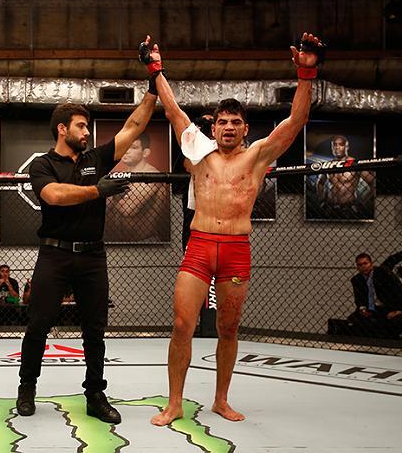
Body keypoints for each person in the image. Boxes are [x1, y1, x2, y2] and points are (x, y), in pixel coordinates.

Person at [142, 32, 323, 424]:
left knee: (228, 327)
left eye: (235, 122)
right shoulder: (198, 149)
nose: (227, 127)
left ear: (245, 129)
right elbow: (173, 111)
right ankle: (174, 402)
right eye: (221, 121)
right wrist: (155, 69)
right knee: (181, 324)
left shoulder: (258, 157)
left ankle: (221, 399)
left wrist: (306, 74)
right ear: (214, 126)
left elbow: (296, 121)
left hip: (237, 248)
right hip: (200, 245)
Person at [15, 72, 158, 424]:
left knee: (95, 328)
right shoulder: (43, 164)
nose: (87, 132)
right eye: (81, 126)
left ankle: (95, 393)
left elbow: (135, 125)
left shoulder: (97, 158)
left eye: (88, 127)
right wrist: (98, 190)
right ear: (62, 129)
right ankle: (27, 387)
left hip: (93, 255)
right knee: (39, 324)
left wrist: (154, 85)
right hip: (55, 253)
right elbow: (53, 196)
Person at [105, 133, 169, 242]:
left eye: (133, 147)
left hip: (146, 241)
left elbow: (127, 209)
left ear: (145, 153)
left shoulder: (152, 174)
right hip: (121, 240)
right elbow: (105, 207)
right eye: (126, 146)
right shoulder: (124, 174)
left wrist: (112, 194)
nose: (127, 151)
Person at [348, 253, 402, 338]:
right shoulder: (356, 279)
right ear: (357, 267)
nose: (363, 266)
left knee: (396, 321)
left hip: (389, 306)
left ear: (371, 264)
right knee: (352, 320)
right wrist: (362, 309)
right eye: (359, 265)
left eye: (365, 263)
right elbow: (359, 299)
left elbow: (399, 291)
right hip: (372, 308)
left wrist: (399, 310)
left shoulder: (384, 273)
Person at [315, 135, 375, 219]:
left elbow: (373, 183)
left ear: (347, 147)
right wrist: (322, 200)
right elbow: (320, 183)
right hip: (331, 209)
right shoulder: (328, 165)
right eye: (334, 145)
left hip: (349, 209)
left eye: (341, 144)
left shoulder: (354, 164)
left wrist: (365, 201)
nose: (337, 147)